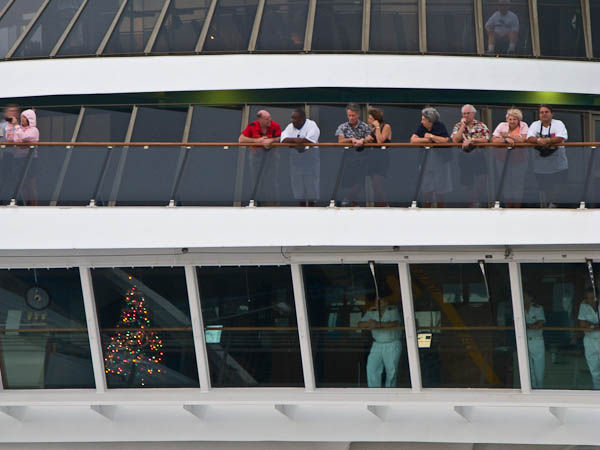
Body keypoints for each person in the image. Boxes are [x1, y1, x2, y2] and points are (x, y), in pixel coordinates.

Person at [526, 105, 568, 207]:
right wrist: (538, 140)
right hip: (541, 166)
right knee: (546, 189)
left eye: (546, 112)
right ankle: (549, 205)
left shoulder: (558, 123)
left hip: (558, 165)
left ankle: (555, 205)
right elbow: (529, 138)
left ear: (551, 114)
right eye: (541, 112)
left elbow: (561, 137)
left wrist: (547, 140)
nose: (544, 114)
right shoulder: (535, 125)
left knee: (558, 188)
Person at [410, 107, 452, 207]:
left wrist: (432, 137)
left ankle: (440, 208)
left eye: (424, 119)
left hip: (440, 159)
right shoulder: (422, 127)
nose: (422, 121)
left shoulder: (440, 126)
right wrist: (428, 140)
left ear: (430, 120)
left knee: (440, 186)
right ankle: (427, 207)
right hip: (425, 159)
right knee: (426, 185)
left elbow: (445, 140)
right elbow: (413, 140)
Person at [358, 297, 402, 387]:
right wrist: (369, 324)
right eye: (376, 302)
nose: (378, 304)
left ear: (386, 302)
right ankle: (374, 391)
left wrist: (378, 324)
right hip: (377, 344)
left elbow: (395, 323)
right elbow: (359, 324)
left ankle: (390, 392)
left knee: (391, 370)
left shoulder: (392, 310)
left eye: (380, 302)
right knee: (371, 368)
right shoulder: (371, 311)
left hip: (392, 344)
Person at [239, 110, 282, 204]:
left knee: (272, 180)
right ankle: (259, 203)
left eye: (270, 118)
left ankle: (274, 204)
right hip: (256, 157)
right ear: (260, 119)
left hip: (272, 156)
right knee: (256, 180)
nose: (269, 120)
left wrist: (271, 140)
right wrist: (257, 141)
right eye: (267, 119)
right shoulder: (252, 126)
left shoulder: (275, 125)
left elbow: (281, 138)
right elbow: (241, 139)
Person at [451, 105, 490, 207]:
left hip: (478, 155)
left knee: (481, 180)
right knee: (467, 183)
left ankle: (478, 201)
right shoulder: (458, 126)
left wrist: (472, 140)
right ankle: (470, 204)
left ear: (473, 114)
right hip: (464, 156)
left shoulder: (481, 125)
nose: (466, 115)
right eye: (464, 113)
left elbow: (486, 139)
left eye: (468, 113)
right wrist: (463, 126)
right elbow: (455, 140)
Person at [280, 108, 320, 206]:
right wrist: (297, 140)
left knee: (310, 181)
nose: (292, 120)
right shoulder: (290, 126)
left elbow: (309, 141)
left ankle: (312, 204)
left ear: (302, 119)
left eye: (295, 118)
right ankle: (300, 204)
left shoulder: (311, 125)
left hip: (310, 157)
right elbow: (283, 140)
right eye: (292, 118)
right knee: (296, 181)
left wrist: (293, 142)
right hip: (296, 158)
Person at [491, 108, 529, 207]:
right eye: (510, 119)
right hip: (502, 159)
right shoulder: (501, 125)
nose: (512, 121)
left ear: (519, 120)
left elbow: (523, 140)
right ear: (507, 119)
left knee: (518, 184)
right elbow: (494, 140)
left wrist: (507, 135)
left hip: (519, 160)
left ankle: (517, 207)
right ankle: (509, 207)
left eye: (514, 119)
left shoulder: (524, 125)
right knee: (506, 183)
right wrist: (505, 140)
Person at [335, 103, 371, 206]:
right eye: (349, 115)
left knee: (359, 183)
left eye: (353, 115)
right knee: (347, 183)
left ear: (358, 114)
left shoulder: (365, 126)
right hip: (347, 159)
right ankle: (349, 202)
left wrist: (362, 141)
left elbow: (370, 139)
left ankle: (348, 201)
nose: (351, 117)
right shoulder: (343, 126)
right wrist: (351, 140)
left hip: (362, 159)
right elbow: (340, 141)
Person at [5, 109, 39, 205]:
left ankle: (33, 204)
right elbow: (10, 139)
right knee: (22, 183)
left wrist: (16, 127)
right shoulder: (18, 128)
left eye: (25, 117)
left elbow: (23, 138)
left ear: (30, 119)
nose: (22, 119)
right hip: (18, 159)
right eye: (22, 117)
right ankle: (26, 204)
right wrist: (10, 125)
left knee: (30, 184)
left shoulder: (34, 130)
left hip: (30, 159)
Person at [365, 107, 391, 206]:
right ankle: (378, 204)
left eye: (370, 118)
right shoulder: (373, 129)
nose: (368, 121)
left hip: (382, 158)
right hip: (373, 157)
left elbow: (380, 142)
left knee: (378, 183)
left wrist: (377, 128)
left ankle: (385, 205)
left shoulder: (386, 127)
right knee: (373, 184)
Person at [578, 287, 600, 389]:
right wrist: (595, 326)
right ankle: (597, 392)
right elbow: (582, 325)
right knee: (594, 371)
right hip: (590, 341)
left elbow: (587, 325)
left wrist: (590, 326)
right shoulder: (584, 306)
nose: (590, 301)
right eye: (588, 298)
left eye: (592, 298)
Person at [523, 286, 545, 389]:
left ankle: (540, 390)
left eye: (525, 296)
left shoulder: (538, 308)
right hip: (523, 341)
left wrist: (528, 326)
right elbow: (518, 324)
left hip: (537, 341)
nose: (523, 298)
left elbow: (539, 324)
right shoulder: (519, 309)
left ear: (530, 297)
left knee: (539, 370)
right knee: (528, 370)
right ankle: (531, 390)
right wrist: (531, 326)